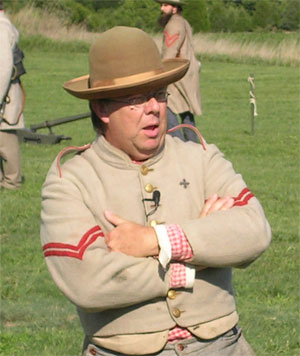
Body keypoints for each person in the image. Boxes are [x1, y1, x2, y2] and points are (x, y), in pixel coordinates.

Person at [40, 26, 271, 356]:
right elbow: (87, 282)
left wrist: (158, 241)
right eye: (135, 99)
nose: (154, 108)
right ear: (102, 109)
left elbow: (254, 230)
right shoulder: (70, 179)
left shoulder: (201, 156)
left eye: (159, 94)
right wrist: (198, 258)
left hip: (223, 346)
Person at [156, 0, 202, 143]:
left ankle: (178, 146)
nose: (161, 8)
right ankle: (193, 147)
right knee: (186, 112)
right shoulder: (182, 22)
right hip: (186, 73)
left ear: (174, 9)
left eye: (165, 5)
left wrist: (161, 74)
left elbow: (170, 53)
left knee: (167, 106)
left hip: (177, 74)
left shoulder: (174, 25)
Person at [0, 0, 25, 190]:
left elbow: (3, 69)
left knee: (6, 139)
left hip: (4, 95)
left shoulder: (1, 27)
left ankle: (11, 181)